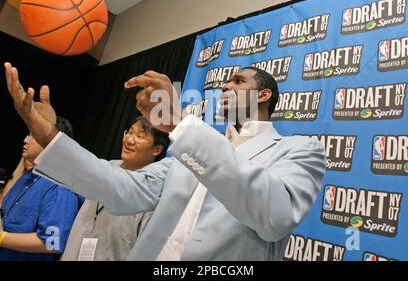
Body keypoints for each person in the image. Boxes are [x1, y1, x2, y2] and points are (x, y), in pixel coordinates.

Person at [3, 62, 326, 260]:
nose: (225, 85)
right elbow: (120, 188)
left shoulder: (299, 149)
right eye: (226, 81)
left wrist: (179, 125)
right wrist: (49, 137)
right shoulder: (191, 150)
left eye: (239, 81)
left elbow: (275, 216)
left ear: (264, 95)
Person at [61, 116, 169, 261]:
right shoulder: (105, 167)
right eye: (129, 133)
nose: (130, 140)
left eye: (140, 136)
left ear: (157, 149)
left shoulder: (152, 190)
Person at [0, 116, 84, 261]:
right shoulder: (27, 178)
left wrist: (2, 238)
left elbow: (52, 243)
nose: (26, 140)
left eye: (33, 135)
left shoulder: (60, 186)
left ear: (53, 143)